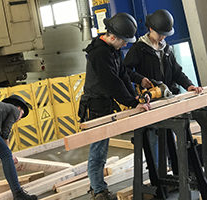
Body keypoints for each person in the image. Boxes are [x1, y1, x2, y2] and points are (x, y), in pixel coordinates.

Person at [78, 13, 150, 200]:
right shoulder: (99, 54)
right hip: (95, 106)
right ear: (112, 37)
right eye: (123, 41)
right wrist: (133, 103)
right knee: (99, 149)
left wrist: (135, 97)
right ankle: (98, 189)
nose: (125, 45)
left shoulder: (112, 50)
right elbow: (112, 82)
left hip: (106, 103)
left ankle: (98, 186)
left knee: (102, 147)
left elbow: (122, 75)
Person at [123, 9, 203, 167]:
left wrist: (189, 85)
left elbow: (176, 72)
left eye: (165, 34)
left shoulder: (167, 49)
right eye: (160, 33)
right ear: (151, 29)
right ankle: (160, 173)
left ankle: (176, 168)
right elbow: (125, 71)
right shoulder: (139, 49)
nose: (162, 37)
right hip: (151, 100)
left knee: (172, 135)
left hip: (168, 97)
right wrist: (140, 79)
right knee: (154, 138)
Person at [0, 95, 37, 200]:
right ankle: (18, 194)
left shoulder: (1, 110)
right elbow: (5, 133)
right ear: (19, 108)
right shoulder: (14, 110)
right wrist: (10, 156)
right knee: (6, 154)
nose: (19, 118)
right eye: (22, 114)